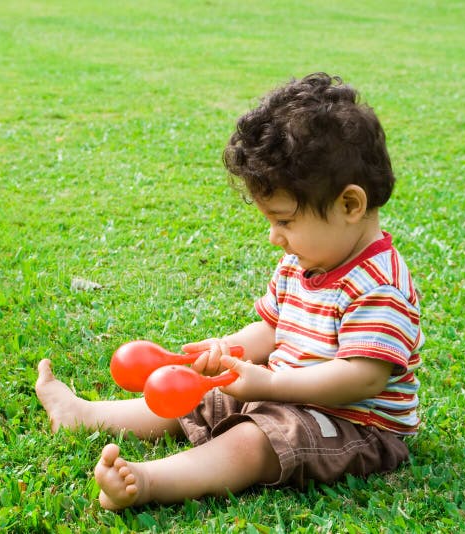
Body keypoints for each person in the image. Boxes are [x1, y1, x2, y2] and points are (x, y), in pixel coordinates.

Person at [35, 72, 423, 510]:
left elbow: (362, 377)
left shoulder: (379, 284)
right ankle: (85, 415)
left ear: (349, 205)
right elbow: (272, 329)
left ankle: (149, 481)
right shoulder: (303, 259)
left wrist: (273, 384)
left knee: (254, 441)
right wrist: (229, 350)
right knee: (204, 395)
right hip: (287, 395)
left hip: (355, 425)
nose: (274, 237)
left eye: (285, 221)